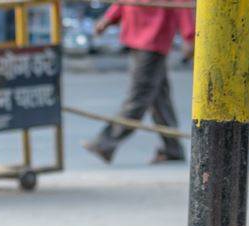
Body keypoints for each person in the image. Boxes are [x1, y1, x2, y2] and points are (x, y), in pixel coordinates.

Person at [83, 1, 195, 164]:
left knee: (138, 97)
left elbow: (180, 4)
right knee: (159, 98)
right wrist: (108, 18)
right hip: (137, 34)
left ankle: (105, 143)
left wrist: (188, 36)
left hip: (153, 38)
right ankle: (173, 148)